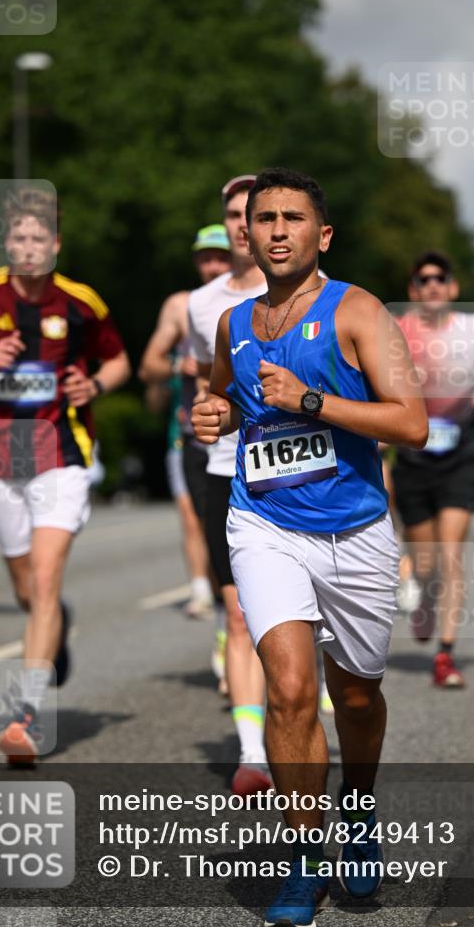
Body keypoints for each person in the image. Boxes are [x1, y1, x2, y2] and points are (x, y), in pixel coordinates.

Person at [192, 168, 427, 924]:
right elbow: (224, 395)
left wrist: (313, 400)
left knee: (354, 693)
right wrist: (216, 418)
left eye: (293, 218)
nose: (278, 230)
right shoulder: (232, 321)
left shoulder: (357, 310)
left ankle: (355, 811)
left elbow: (410, 423)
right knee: (290, 690)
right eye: (264, 218)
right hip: (261, 522)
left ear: (320, 235)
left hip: (354, 530)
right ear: (247, 233)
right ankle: (303, 857)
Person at [0, 187, 130, 764]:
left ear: (57, 244)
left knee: (43, 580)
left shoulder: (80, 303)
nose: (29, 247)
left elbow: (119, 361)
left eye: (40, 238)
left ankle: (27, 717)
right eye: (19, 238)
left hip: (63, 452)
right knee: (26, 589)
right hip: (1, 456)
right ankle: (56, 623)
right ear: (8, 243)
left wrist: (96, 384)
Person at [188, 175, 276, 796]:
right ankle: (252, 754)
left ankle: (305, 702)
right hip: (228, 471)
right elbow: (208, 380)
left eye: (255, 213)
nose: (243, 224)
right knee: (239, 614)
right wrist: (207, 411)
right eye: (233, 214)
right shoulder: (205, 304)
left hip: (305, 476)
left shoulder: (318, 294)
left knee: (303, 623)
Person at [392, 252, 474, 688]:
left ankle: (446, 654)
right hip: (414, 456)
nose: (433, 285)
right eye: (424, 280)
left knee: (452, 553)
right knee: (426, 560)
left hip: (460, 453)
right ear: (413, 290)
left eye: (440, 279)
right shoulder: (398, 331)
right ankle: (421, 593)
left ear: (453, 288)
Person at [139, 225, 231, 625]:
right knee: (194, 516)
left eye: (220, 257)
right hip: (189, 434)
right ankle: (202, 591)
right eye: (205, 258)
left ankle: (230, 606)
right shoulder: (182, 305)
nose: (213, 266)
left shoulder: (252, 296)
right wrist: (182, 365)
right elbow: (148, 366)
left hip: (240, 431)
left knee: (234, 531)